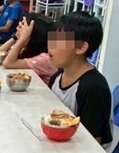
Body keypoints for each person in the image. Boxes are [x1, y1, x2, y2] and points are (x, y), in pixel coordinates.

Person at [46, 12, 112, 143]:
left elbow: (93, 141)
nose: (50, 45)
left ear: (81, 47)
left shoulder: (93, 87)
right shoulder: (57, 77)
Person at [0, 13, 55, 83]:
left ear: (32, 35)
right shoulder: (25, 48)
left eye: (22, 28)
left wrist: (22, 38)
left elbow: (7, 63)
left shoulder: (45, 59)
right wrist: (15, 37)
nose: (17, 28)